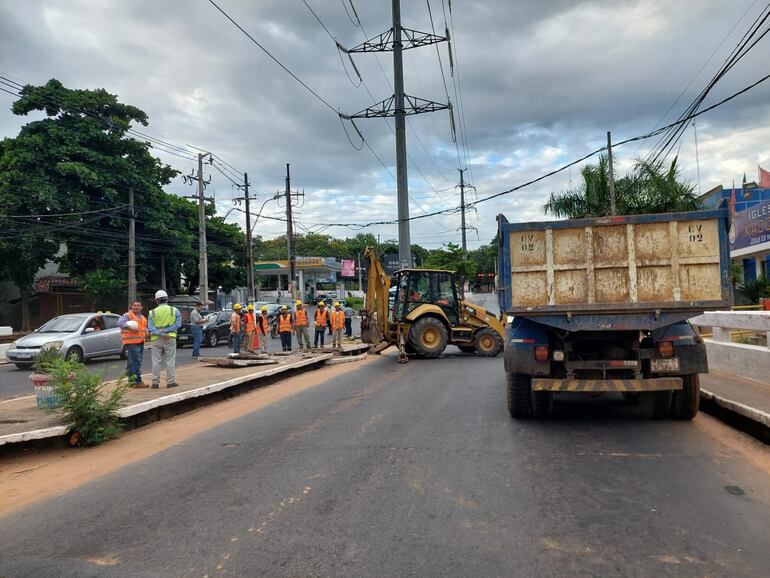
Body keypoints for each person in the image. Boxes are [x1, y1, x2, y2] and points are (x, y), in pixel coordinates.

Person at [148, 290, 181, 389]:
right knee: (170, 360)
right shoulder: (174, 310)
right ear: (167, 299)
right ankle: (170, 382)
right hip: (170, 338)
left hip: (156, 339)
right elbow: (178, 324)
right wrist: (166, 332)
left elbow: (150, 328)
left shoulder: (152, 312)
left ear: (156, 301)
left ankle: (155, 383)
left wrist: (161, 333)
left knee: (156, 361)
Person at [118, 300, 148, 387]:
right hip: (131, 342)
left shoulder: (142, 318)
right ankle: (137, 381)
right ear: (131, 306)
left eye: (138, 305)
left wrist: (147, 332)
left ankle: (131, 381)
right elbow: (120, 323)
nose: (136, 307)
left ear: (141, 308)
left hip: (140, 341)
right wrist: (130, 328)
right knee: (136, 361)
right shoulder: (127, 315)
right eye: (134, 305)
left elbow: (144, 328)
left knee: (132, 362)